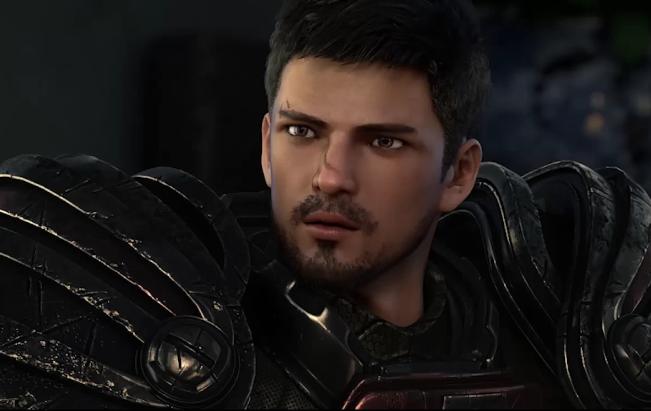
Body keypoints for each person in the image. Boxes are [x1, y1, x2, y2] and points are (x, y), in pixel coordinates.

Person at [1, 0, 650, 409]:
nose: (332, 176)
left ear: (458, 174)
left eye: (383, 141)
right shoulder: (151, 321)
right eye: (302, 131)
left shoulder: (554, 323)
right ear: (265, 145)